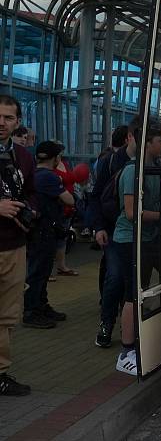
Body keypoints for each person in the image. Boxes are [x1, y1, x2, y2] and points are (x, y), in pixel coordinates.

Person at [105, 121, 161, 373]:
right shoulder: (133, 172)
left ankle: (148, 319)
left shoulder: (156, 169)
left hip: (151, 238)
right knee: (132, 292)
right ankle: (126, 351)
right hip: (129, 240)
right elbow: (130, 213)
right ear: (147, 142)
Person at [0, 95, 35, 396]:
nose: (1, 123)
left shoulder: (23, 157)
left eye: (8, 118)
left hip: (14, 245)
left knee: (7, 315)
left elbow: (33, 193)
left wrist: (28, 211)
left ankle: (0, 372)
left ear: (17, 122)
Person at [92, 121, 137, 348]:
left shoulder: (151, 162)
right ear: (130, 138)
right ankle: (106, 323)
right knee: (115, 277)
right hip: (114, 230)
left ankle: (130, 326)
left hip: (140, 233)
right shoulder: (111, 161)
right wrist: (99, 227)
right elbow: (96, 195)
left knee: (133, 281)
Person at [23, 141, 73, 329]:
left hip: (38, 229)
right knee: (38, 272)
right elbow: (69, 199)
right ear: (56, 158)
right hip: (44, 230)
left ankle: (40, 306)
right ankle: (32, 311)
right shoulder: (49, 177)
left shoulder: (33, 175)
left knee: (40, 270)